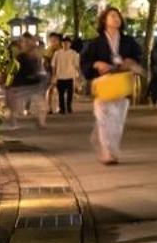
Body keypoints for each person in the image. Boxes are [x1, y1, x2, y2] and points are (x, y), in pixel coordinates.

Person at [80, 9, 143, 163]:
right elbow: (85, 62)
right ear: (104, 21)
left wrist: (131, 62)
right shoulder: (95, 43)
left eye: (118, 16)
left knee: (117, 121)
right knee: (103, 119)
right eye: (112, 16)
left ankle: (112, 149)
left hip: (121, 83)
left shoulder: (129, 42)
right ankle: (107, 152)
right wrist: (97, 64)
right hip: (103, 83)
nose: (116, 19)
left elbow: (138, 58)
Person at [5, 35, 49, 128]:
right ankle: (13, 122)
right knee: (15, 106)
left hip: (33, 85)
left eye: (30, 43)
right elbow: (12, 71)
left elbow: (40, 69)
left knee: (41, 105)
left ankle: (41, 122)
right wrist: (8, 83)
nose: (28, 45)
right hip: (20, 85)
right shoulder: (20, 57)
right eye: (26, 43)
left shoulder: (36, 57)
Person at [48, 32, 79, 115]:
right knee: (60, 94)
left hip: (70, 76)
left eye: (67, 43)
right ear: (62, 44)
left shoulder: (74, 53)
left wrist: (77, 76)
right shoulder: (57, 53)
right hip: (60, 76)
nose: (65, 44)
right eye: (64, 43)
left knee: (70, 94)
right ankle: (62, 108)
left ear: (70, 44)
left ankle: (69, 107)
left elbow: (76, 65)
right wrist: (54, 75)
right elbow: (53, 65)